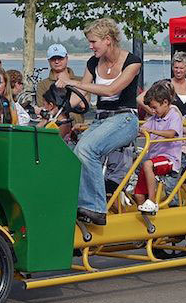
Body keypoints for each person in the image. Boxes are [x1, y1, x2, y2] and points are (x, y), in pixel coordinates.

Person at [55, 18, 141, 225]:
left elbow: (112, 90)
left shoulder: (132, 62)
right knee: (73, 153)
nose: (90, 46)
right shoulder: (93, 63)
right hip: (102, 119)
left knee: (87, 149)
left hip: (125, 118)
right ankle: (77, 204)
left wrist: (73, 82)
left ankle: (95, 208)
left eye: (93, 42)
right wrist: (61, 99)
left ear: (108, 40)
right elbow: (81, 95)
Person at [134, 80, 183, 213]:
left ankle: (152, 201)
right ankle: (145, 213)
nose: (153, 111)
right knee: (138, 193)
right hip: (153, 159)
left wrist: (152, 132)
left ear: (166, 102)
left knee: (148, 164)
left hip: (169, 159)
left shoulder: (174, 116)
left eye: (155, 108)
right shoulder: (155, 118)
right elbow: (142, 129)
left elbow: (171, 133)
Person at [37, 44, 85, 124]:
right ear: (49, 61)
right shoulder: (42, 84)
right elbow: (43, 108)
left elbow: (83, 105)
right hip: (53, 126)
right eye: (53, 59)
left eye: (60, 58)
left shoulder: (80, 81)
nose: (57, 62)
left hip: (77, 126)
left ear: (66, 58)